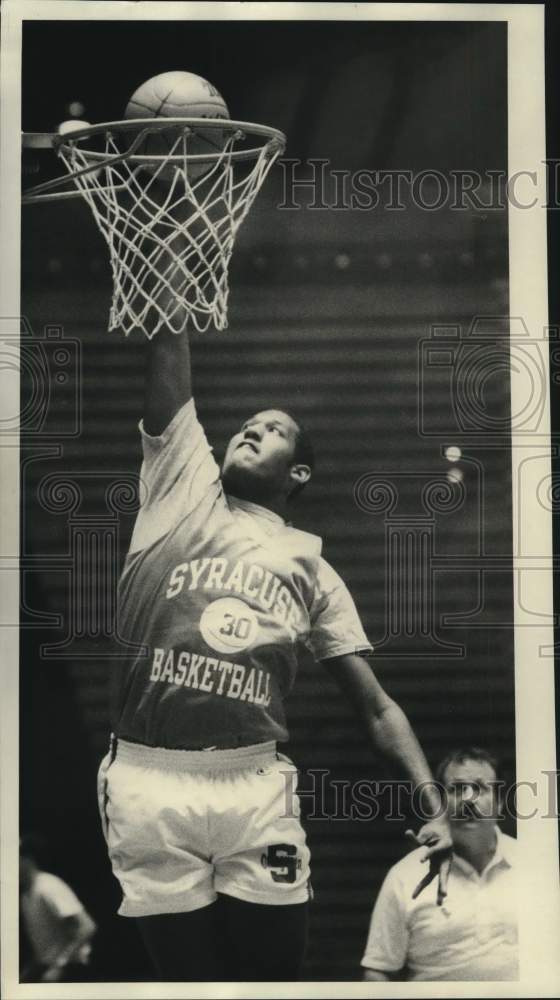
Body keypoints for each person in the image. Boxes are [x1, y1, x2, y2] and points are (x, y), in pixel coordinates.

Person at [96, 229, 452, 982]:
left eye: (275, 428)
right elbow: (168, 345)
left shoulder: (311, 564)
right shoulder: (179, 485)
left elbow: (379, 707)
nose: (251, 426)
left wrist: (433, 804)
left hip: (252, 785)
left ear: (300, 473)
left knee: (272, 987)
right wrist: (162, 226)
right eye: (247, 422)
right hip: (146, 779)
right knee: (189, 988)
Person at [361, 747, 518, 982]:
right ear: (440, 804)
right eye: (456, 789)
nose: (468, 799)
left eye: (481, 788)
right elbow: (378, 971)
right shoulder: (406, 875)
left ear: (500, 802)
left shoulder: (535, 863)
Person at [19, 836, 97, 982]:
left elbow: (87, 927)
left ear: (26, 859)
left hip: (73, 969)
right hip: (50, 969)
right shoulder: (25, 895)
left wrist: (60, 965)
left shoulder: (48, 886)